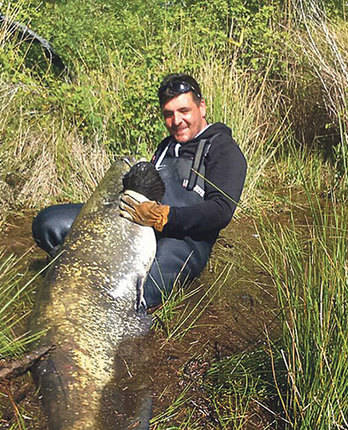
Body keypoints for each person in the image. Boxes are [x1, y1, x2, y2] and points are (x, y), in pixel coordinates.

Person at [32, 73, 247, 308]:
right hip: (135, 225)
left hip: (184, 240)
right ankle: (78, 274)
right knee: (49, 224)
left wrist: (163, 217)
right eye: (168, 114)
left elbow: (221, 211)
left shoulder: (223, 149)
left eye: (184, 111)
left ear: (201, 107)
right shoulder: (165, 147)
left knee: (131, 298)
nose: (177, 121)